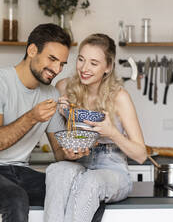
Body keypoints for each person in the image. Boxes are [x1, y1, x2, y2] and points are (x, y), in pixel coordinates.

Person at [0, 23, 71, 222]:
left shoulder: (51, 94)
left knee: (77, 193)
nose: (57, 69)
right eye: (52, 59)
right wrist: (32, 117)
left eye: (62, 64)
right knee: (16, 198)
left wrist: (74, 151)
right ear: (32, 50)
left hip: (20, 172)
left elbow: (59, 152)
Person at [44, 33, 147, 222]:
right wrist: (60, 112)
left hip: (112, 169)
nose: (84, 68)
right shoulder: (63, 87)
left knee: (90, 182)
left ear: (108, 67)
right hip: (78, 162)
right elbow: (59, 149)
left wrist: (112, 133)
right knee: (57, 171)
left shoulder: (119, 97)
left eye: (93, 63)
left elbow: (141, 155)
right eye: (81, 60)